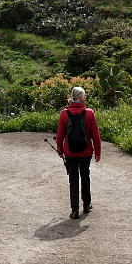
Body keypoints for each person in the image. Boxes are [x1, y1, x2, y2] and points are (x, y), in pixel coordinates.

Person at [55, 86, 102, 219]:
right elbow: (96, 135)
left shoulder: (64, 113)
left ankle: (74, 210)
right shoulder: (89, 113)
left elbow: (60, 134)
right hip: (86, 152)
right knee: (85, 176)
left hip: (70, 153)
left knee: (73, 180)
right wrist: (97, 152)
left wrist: (60, 150)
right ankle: (86, 205)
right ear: (81, 97)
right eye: (84, 95)